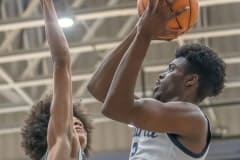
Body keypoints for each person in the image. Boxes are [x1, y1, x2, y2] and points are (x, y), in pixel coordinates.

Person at [87, 0, 226, 160]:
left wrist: (145, 34)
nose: (161, 74)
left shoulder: (194, 119)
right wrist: (140, 28)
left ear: (191, 80)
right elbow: (97, 87)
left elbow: (114, 107)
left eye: (171, 69)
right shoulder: (154, 113)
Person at [21, 0, 92, 160]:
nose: (77, 122)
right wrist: (47, 4)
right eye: (70, 119)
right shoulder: (63, 143)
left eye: (78, 120)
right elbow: (61, 62)